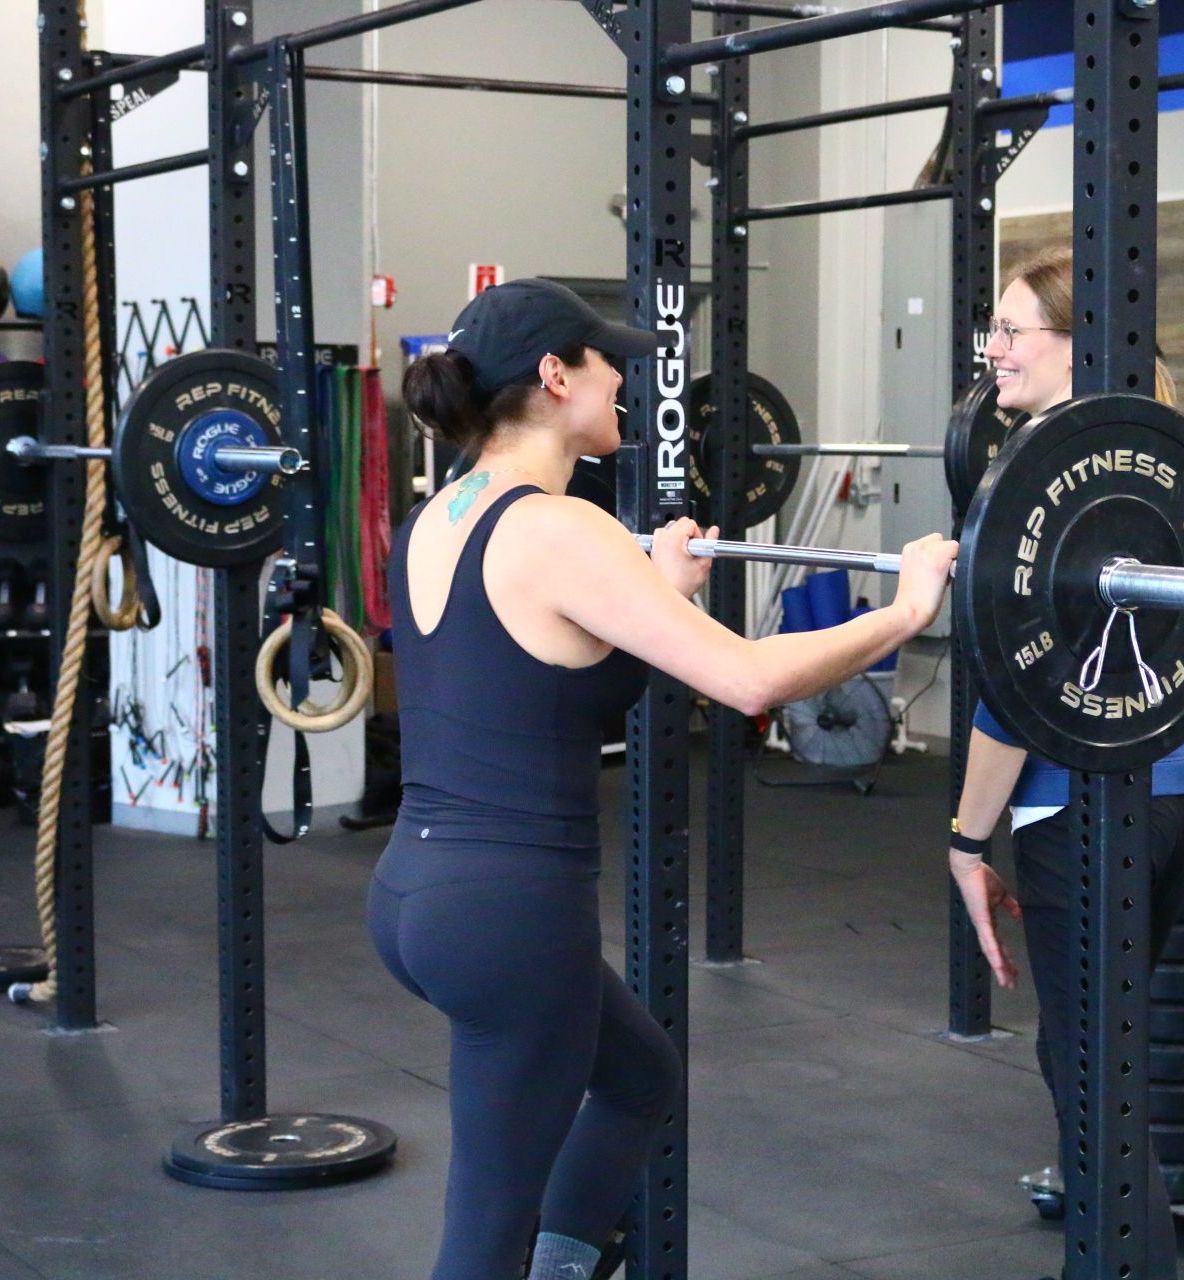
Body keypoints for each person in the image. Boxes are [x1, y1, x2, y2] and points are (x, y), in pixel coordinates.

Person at [373, 278, 956, 1280]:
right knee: (482, 1232)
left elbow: (548, 675)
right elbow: (749, 680)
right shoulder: (565, 529)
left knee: (640, 1075)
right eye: (605, 360)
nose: (621, 377)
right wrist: (902, 612)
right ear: (555, 377)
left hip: (417, 891)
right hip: (509, 913)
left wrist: (661, 591)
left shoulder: (442, 515)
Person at [949, 249, 1184, 1277]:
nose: (995, 351)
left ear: (1078, 345)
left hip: (1079, 818)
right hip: (1174, 798)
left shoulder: (1040, 480)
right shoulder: (1155, 458)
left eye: (1016, 331)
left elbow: (1017, 695)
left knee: (1092, 1080)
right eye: (995, 330)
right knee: (1107, 1068)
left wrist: (968, 837)